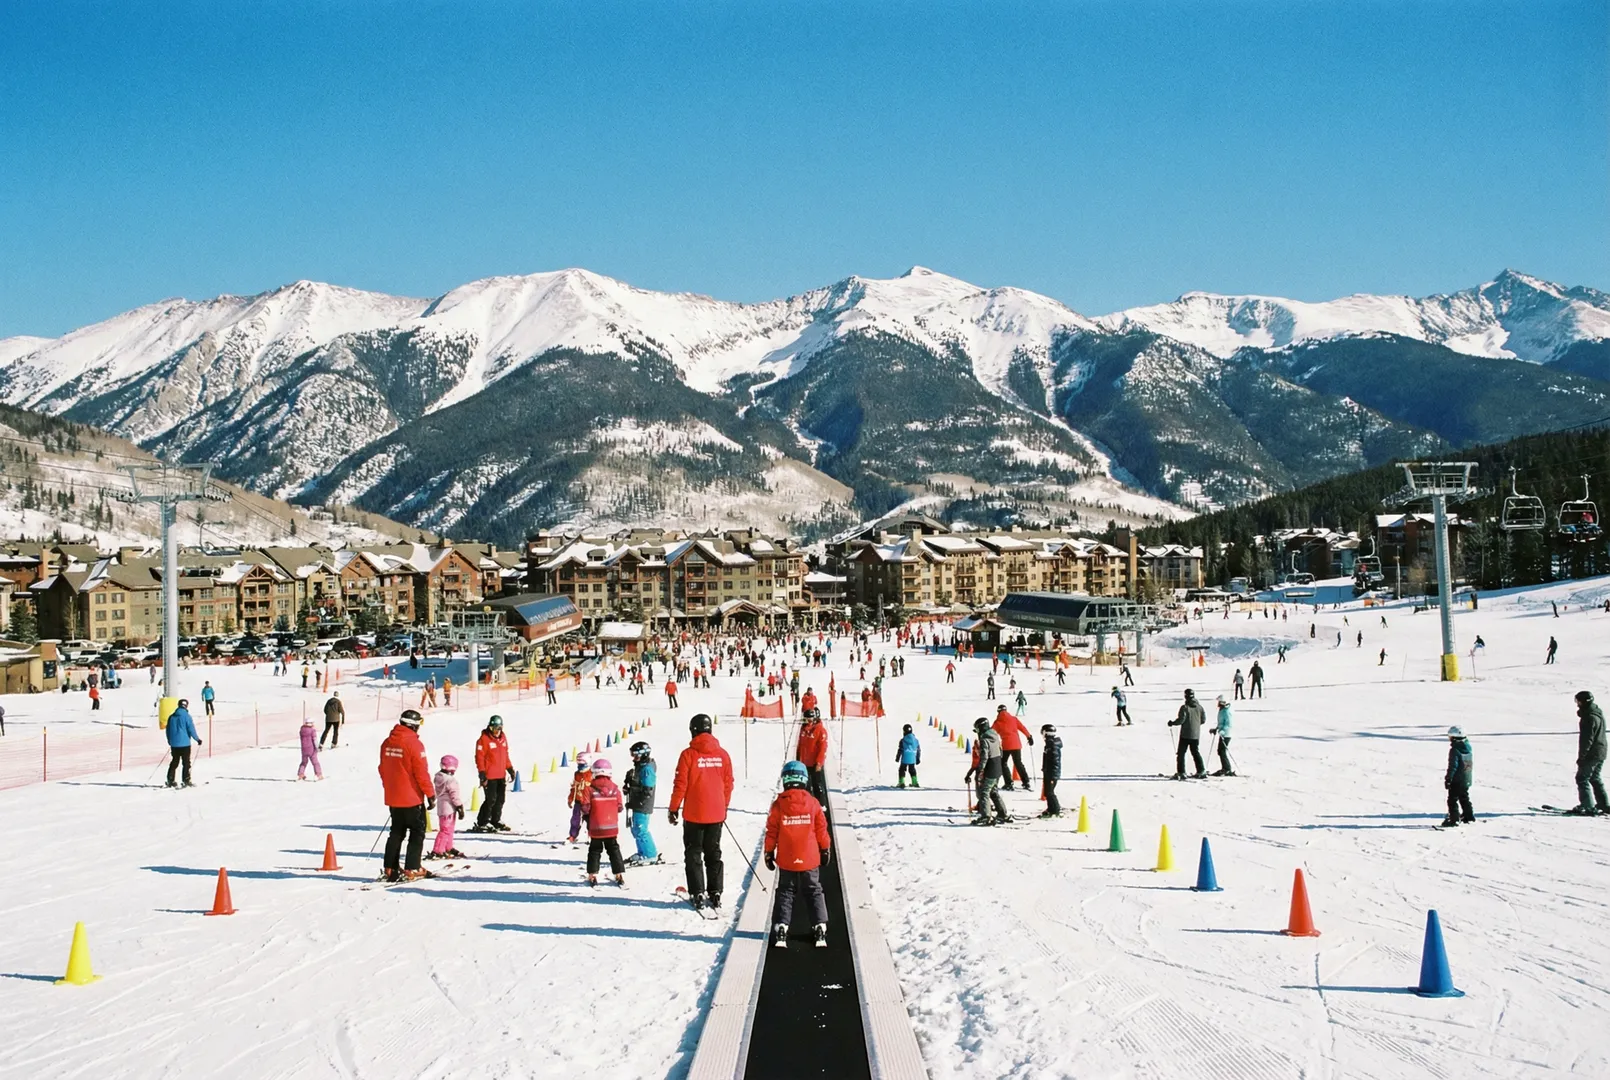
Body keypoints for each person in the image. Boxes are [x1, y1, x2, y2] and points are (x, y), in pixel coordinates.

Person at [669, 713, 735, 912]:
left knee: (693, 853)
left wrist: (673, 808)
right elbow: (728, 784)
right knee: (713, 852)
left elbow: (680, 784)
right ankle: (715, 892)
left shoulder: (688, 754)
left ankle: (697, 892)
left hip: (694, 814)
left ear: (693, 731)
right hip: (716, 814)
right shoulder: (723, 754)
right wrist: (723, 806)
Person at [765, 760, 832, 949]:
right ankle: (819, 926)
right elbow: (821, 829)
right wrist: (825, 849)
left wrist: (769, 852)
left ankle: (782, 927)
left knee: (786, 892)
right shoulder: (813, 803)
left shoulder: (778, 806)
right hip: (810, 858)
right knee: (813, 890)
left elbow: (772, 831)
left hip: (787, 859)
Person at [378, 709, 434, 883]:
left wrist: (390, 787)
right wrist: (430, 794)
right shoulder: (414, 744)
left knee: (396, 832)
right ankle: (413, 867)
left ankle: (390, 868)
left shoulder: (387, 742)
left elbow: (383, 769)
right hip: (411, 798)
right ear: (413, 725)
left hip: (393, 796)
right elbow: (421, 773)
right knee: (417, 832)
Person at [581, 757, 627, 886]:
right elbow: (619, 807)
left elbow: (585, 807)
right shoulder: (615, 789)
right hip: (611, 827)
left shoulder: (589, 789)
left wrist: (587, 815)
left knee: (595, 850)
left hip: (596, 827)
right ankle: (619, 874)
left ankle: (592, 874)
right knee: (613, 849)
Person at [622, 741, 660, 865]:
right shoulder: (641, 767)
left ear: (643, 754)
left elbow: (647, 790)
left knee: (641, 829)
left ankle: (650, 854)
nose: (634, 758)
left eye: (636, 755)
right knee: (635, 829)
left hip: (642, 804)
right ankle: (642, 851)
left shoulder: (647, 769)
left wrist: (634, 788)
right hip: (637, 802)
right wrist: (629, 785)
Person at [1570, 690, 1608, 815]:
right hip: (1601, 750)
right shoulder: (1596, 712)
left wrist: (1582, 757)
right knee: (1594, 778)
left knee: (1582, 778)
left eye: (1578, 701)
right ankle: (1604, 804)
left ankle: (1587, 806)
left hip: (1593, 753)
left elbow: (1587, 740)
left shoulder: (1589, 718)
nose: (1577, 704)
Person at [965, 718, 1009, 825]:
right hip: (998, 766)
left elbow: (984, 757)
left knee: (984, 793)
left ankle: (986, 816)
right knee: (993, 791)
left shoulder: (984, 740)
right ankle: (1002, 813)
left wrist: (980, 769)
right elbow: (1001, 751)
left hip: (990, 768)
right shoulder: (995, 736)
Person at [473, 715, 512, 833]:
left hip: (501, 775)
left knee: (500, 799)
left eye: (499, 729)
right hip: (489, 776)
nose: (496, 731)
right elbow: (479, 758)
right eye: (494, 729)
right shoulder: (483, 740)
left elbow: (505, 755)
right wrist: (482, 773)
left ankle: (495, 820)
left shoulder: (503, 738)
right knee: (490, 799)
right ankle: (482, 821)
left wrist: (510, 768)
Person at [430, 755, 466, 859]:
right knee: (446, 830)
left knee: (448, 829)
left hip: (442, 808)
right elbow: (454, 796)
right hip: (449, 808)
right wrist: (459, 807)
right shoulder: (450, 781)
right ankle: (438, 850)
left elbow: (436, 793)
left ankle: (448, 847)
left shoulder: (438, 777)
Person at [992, 704, 1033, 791]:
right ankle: (1026, 782)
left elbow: (991, 733)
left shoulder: (997, 722)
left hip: (1006, 746)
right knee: (1018, 763)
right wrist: (1029, 736)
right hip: (1016, 744)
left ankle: (1008, 783)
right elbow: (1022, 728)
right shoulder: (1013, 719)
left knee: (1003, 763)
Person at [1169, 689, 1207, 780]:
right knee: (1195, 752)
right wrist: (1196, 724)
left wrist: (1172, 723)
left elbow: (1181, 720)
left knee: (1181, 753)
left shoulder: (1185, 707)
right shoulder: (1200, 707)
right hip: (1195, 734)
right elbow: (1203, 720)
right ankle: (1201, 770)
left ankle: (1181, 772)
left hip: (1185, 734)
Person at [164, 698, 202, 788]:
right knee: (186, 762)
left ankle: (170, 779)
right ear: (186, 706)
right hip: (185, 744)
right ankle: (186, 779)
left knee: (174, 762)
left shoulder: (171, 716)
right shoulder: (187, 716)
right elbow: (191, 729)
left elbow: (168, 730)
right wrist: (197, 739)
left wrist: (170, 740)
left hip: (174, 744)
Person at [1441, 727, 1475, 826]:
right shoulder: (1468, 747)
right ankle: (1469, 816)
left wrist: (1448, 778)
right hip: (1466, 778)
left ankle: (1454, 819)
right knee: (1464, 797)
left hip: (1457, 780)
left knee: (1452, 799)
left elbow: (1453, 766)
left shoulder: (1455, 750)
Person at [796, 708, 829, 804]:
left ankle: (822, 805)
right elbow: (800, 745)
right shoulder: (803, 729)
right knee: (805, 786)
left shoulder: (819, 730)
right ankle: (808, 805)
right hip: (804, 763)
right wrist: (798, 759)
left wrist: (819, 762)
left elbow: (823, 748)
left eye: (806, 719)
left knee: (817, 786)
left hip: (814, 764)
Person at [1039, 724, 1062, 817]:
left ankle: (1055, 810)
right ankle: (1050, 808)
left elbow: (1054, 760)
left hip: (1052, 773)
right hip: (1048, 771)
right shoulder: (1049, 744)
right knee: (1047, 792)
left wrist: (1050, 771)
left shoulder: (1052, 745)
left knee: (1050, 792)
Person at [1210, 696, 1234, 776]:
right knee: (1220, 751)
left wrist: (1222, 731)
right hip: (1223, 734)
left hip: (1226, 734)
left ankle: (1227, 768)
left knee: (1222, 751)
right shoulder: (1222, 710)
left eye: (1219, 702)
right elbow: (1221, 723)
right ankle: (1225, 768)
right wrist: (1216, 729)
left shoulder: (1227, 711)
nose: (1218, 704)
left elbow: (1228, 724)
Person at [297, 714, 324, 781]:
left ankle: (300, 774)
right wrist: (317, 748)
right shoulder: (312, 731)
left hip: (304, 749)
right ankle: (318, 774)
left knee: (303, 762)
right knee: (315, 762)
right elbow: (314, 740)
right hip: (311, 749)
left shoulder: (302, 730)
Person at [895, 724, 921, 788]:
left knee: (902, 769)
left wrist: (897, 758)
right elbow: (918, 750)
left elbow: (900, 750)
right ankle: (914, 782)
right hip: (912, 758)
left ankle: (902, 782)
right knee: (912, 769)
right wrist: (918, 758)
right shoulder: (916, 740)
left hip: (905, 758)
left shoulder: (902, 740)